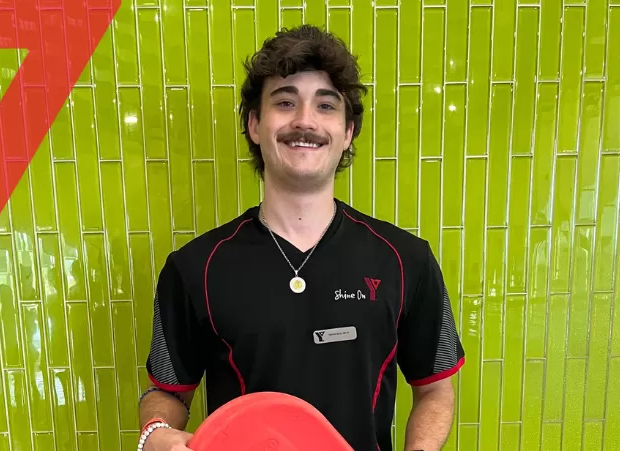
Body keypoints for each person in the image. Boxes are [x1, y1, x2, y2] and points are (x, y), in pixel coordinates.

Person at [137, 24, 465, 451]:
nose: (305, 121)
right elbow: (168, 390)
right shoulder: (194, 267)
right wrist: (154, 435)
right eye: (285, 102)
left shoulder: (406, 260)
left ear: (347, 132)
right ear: (255, 125)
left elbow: (436, 387)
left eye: (326, 105)